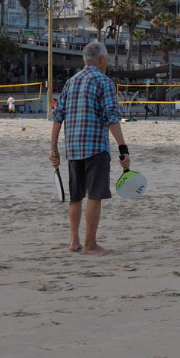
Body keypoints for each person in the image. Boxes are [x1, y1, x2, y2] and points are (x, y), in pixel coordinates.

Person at [49, 41, 130, 256]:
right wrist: (123, 148)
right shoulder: (104, 82)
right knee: (95, 195)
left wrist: (53, 148)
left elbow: (58, 117)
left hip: (72, 148)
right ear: (102, 59)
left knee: (76, 196)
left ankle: (74, 241)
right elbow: (111, 117)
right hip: (95, 147)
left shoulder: (70, 82)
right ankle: (90, 245)